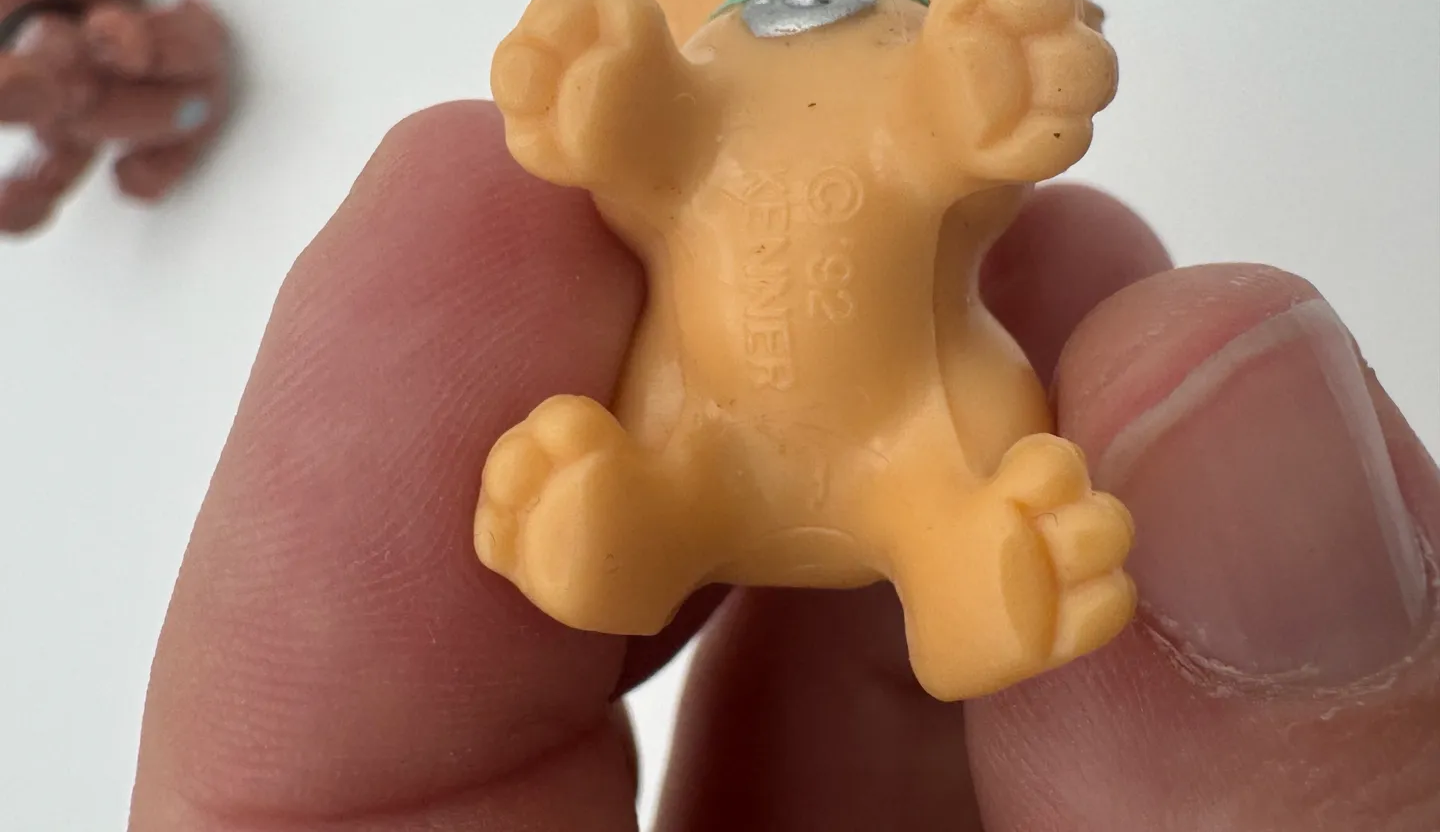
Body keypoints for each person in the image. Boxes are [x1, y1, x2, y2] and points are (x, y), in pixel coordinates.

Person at [125, 102, 1440, 831]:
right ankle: (633, 530)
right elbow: (635, 166)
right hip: (706, 426)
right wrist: (612, 99)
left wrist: (982, 99)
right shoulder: (692, 114)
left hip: (918, 421)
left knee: (975, 463)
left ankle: (969, 575)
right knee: (667, 458)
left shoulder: (914, 94)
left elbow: (969, 155)